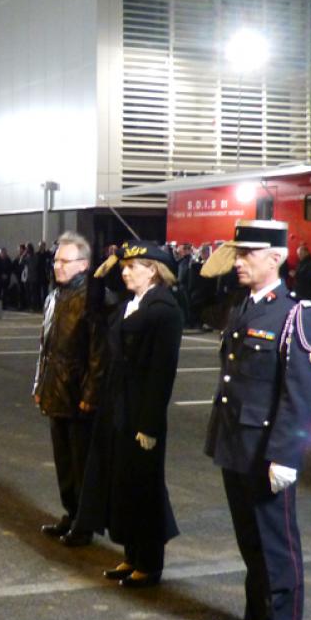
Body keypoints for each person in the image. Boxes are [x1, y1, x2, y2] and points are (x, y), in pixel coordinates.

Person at [200, 219, 311, 620]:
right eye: (237, 253)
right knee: (249, 540)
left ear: (276, 257)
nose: (238, 261)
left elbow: (298, 394)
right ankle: (255, 619)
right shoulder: (244, 305)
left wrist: (286, 455)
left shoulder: (296, 314)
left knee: (276, 542)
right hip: (236, 441)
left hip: (267, 449)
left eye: (247, 254)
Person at [69, 241, 183, 588]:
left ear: (153, 270)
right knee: (123, 483)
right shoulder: (131, 305)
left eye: (132, 266)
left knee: (144, 487)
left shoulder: (164, 310)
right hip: (117, 406)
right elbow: (94, 316)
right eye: (124, 267)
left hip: (140, 411)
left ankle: (149, 563)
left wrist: (149, 425)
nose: (125, 271)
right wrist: (97, 279)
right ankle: (132, 555)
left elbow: (161, 374)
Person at [32, 231, 107, 543]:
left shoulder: (91, 298)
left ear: (84, 264)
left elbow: (98, 353)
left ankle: (84, 523)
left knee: (81, 462)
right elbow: (45, 348)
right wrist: (39, 384)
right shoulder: (54, 296)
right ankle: (70, 513)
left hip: (78, 394)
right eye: (55, 260)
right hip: (55, 389)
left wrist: (91, 395)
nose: (58, 266)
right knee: (63, 460)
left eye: (65, 261)